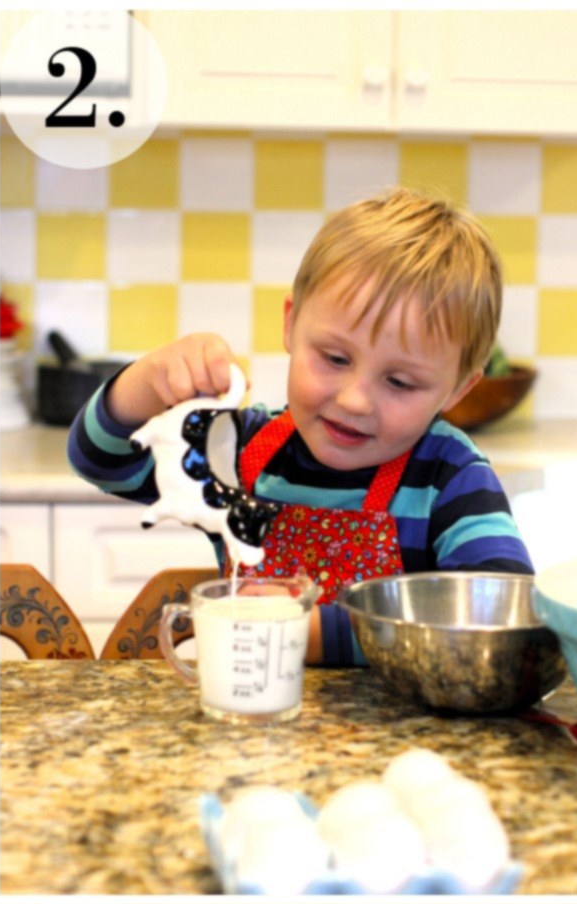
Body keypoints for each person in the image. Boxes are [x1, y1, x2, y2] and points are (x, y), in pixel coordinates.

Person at [67, 187, 532, 666]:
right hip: (248, 725)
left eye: (399, 381)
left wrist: (314, 633)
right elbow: (99, 460)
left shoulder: (449, 477)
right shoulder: (240, 452)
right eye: (333, 358)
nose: (354, 400)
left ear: (457, 389)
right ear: (291, 325)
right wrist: (147, 382)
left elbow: (498, 615)